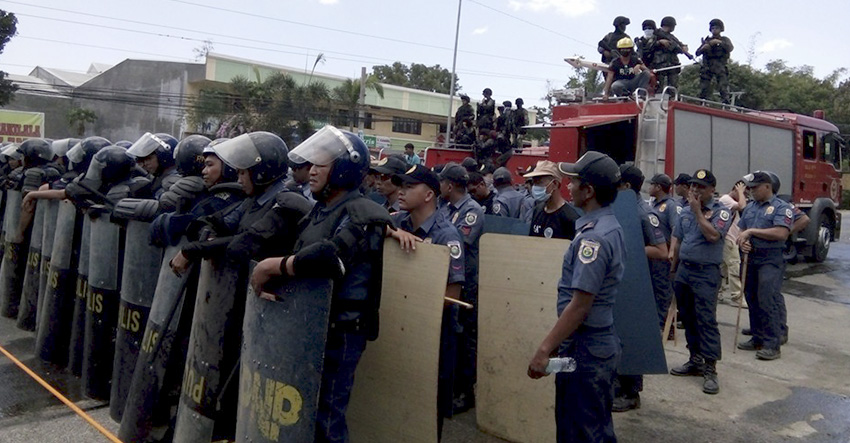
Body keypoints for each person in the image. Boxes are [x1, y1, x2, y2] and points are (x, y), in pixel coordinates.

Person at [250, 126, 391, 443]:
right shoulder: (320, 210)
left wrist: (277, 266)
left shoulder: (362, 212)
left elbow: (330, 257)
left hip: (341, 330)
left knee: (327, 416)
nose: (311, 171)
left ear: (343, 169)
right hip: (311, 323)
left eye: (321, 165)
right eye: (311, 164)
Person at [527, 151, 624, 442]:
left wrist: (545, 349)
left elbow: (580, 305)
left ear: (589, 190)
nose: (568, 187)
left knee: (582, 431)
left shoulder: (593, 238)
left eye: (574, 182)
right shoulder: (608, 226)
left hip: (586, 347)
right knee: (586, 426)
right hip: (591, 343)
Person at [384, 164, 465, 435]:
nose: (401, 192)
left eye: (409, 187)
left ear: (429, 195)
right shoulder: (398, 222)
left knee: (429, 408)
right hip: (401, 326)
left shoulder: (447, 236)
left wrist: (414, 303)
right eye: (401, 186)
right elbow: (368, 224)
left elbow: (452, 296)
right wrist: (392, 233)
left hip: (435, 334)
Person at [668, 169, 731, 395]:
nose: (695, 190)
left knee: (706, 320)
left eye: (701, 187)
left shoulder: (720, 213)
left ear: (712, 190)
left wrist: (697, 212)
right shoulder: (684, 212)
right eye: (693, 186)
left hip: (706, 273)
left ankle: (710, 369)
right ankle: (695, 360)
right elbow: (679, 240)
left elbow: (713, 236)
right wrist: (673, 267)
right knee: (689, 319)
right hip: (685, 271)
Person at [613, 164, 668, 411]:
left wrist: (629, 248)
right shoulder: (619, 208)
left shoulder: (643, 213)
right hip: (621, 280)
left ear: (626, 185)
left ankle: (632, 392)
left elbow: (661, 251)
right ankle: (617, 384)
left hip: (640, 283)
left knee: (633, 335)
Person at [437, 163, 484, 413]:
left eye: (442, 182)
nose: (439, 186)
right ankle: (452, 386)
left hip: (465, 283)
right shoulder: (444, 207)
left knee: (466, 338)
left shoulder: (472, 210)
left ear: (450, 185)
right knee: (450, 336)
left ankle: (466, 392)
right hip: (445, 279)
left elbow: (457, 241)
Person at [736, 171, 792, 361]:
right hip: (751, 257)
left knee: (767, 298)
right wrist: (743, 240)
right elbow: (741, 229)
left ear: (767, 186)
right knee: (751, 297)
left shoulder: (781, 207)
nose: (751, 192)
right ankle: (757, 337)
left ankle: (772, 343)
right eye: (749, 188)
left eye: (754, 188)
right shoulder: (751, 208)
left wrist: (752, 231)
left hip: (770, 259)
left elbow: (781, 233)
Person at [524, 160, 579, 239]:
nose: (535, 187)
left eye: (539, 183)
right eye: (534, 183)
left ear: (555, 184)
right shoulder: (537, 210)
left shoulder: (570, 217)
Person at [717, 180, 748, 307]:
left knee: (723, 269)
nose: (744, 196)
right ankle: (737, 296)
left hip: (731, 238)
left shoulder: (731, 201)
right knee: (734, 265)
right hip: (728, 239)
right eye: (742, 193)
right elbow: (742, 206)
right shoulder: (726, 199)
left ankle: (718, 292)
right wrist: (741, 192)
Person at [126, 132, 179, 198]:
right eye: (142, 160)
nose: (144, 164)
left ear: (164, 157)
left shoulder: (173, 183)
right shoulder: (157, 176)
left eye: (148, 159)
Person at [696, 19, 734, 104]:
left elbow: (730, 48)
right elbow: (697, 53)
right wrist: (704, 47)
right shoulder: (707, 40)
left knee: (722, 86)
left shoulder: (724, 39)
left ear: (721, 29)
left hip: (719, 65)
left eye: (716, 28)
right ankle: (702, 102)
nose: (714, 30)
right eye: (712, 28)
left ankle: (726, 102)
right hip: (707, 65)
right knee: (704, 86)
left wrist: (718, 42)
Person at [652, 16, 690, 90]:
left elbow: (679, 45)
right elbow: (649, 46)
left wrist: (683, 48)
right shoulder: (656, 34)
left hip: (672, 63)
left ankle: (672, 97)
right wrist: (659, 42)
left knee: (673, 85)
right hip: (660, 63)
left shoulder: (671, 37)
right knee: (659, 85)